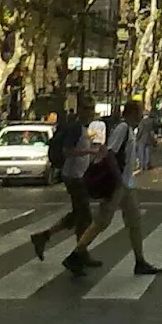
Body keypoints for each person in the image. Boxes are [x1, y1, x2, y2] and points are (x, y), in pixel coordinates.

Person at [62, 101, 161, 277]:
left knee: (134, 222)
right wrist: (118, 179)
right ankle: (75, 254)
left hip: (127, 184)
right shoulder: (122, 129)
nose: (142, 116)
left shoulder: (129, 129)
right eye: (140, 112)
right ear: (132, 113)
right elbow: (110, 154)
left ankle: (140, 261)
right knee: (101, 222)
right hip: (119, 184)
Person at [30, 109, 102, 264]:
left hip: (79, 175)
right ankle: (80, 254)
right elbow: (67, 151)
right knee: (85, 217)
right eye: (88, 108)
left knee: (78, 214)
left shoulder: (84, 128)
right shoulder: (75, 128)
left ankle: (44, 237)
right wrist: (89, 151)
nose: (91, 113)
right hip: (73, 176)